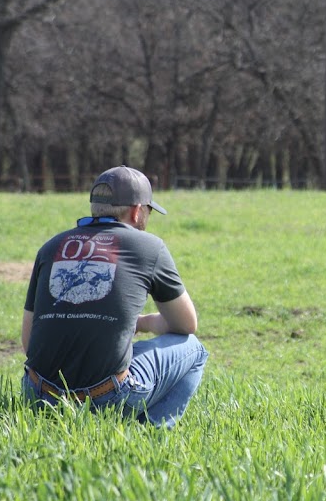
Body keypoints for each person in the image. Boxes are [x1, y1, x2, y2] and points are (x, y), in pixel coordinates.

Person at [21, 165, 208, 428]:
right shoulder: (149, 246)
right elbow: (187, 325)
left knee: (127, 352)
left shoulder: (51, 246)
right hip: (106, 397)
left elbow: (29, 342)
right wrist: (144, 322)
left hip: (38, 395)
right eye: (149, 210)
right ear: (136, 211)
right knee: (195, 349)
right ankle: (149, 431)